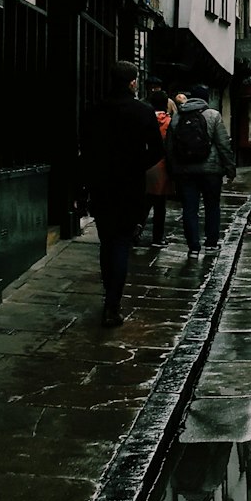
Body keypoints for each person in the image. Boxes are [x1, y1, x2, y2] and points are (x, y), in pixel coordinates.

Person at [80, 59, 164, 327]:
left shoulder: (94, 111)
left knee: (107, 242)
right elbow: (158, 151)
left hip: (101, 184)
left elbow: (86, 148)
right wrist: (137, 164)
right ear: (132, 82)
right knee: (120, 244)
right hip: (129, 186)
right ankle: (112, 306)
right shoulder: (142, 112)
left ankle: (109, 295)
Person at [167, 84, 236, 259]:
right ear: (206, 99)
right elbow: (223, 144)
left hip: (185, 171)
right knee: (212, 206)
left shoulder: (177, 117)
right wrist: (230, 168)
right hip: (211, 171)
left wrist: (173, 171)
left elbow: (169, 148)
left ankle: (193, 248)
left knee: (189, 209)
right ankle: (211, 243)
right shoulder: (213, 115)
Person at [135, 89, 173, 246]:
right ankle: (157, 237)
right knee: (159, 205)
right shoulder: (170, 122)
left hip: (143, 163)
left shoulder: (143, 118)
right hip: (162, 165)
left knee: (143, 201)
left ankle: (136, 230)